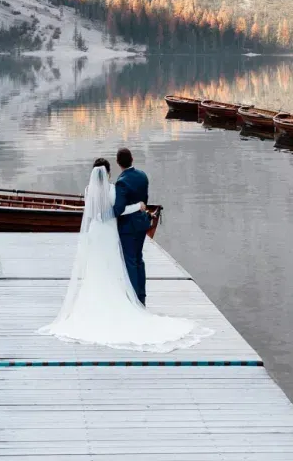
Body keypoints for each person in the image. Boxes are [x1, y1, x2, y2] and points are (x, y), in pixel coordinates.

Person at [37, 159, 213, 352]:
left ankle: (93, 305)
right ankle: (120, 300)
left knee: (95, 267)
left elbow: (92, 213)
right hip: (109, 233)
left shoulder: (89, 191)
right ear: (109, 173)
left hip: (95, 232)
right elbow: (118, 212)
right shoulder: (113, 190)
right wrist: (138, 206)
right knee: (113, 267)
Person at [112, 147, 150, 305]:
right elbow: (145, 200)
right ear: (132, 159)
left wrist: (108, 210)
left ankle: (133, 299)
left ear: (118, 163)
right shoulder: (143, 176)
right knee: (139, 259)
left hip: (128, 228)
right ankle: (141, 294)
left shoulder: (121, 182)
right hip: (142, 223)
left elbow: (118, 210)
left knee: (130, 261)